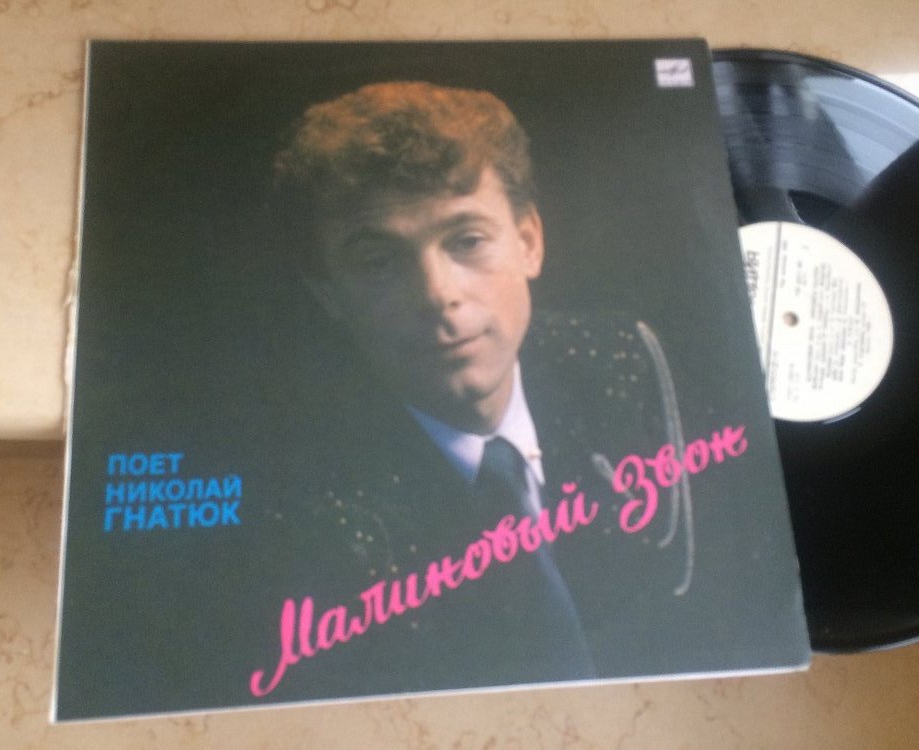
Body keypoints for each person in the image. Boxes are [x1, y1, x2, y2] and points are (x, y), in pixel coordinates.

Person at [263, 81, 685, 700]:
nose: (438, 295)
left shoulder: (622, 359)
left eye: (467, 241)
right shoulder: (299, 508)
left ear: (529, 242)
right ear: (330, 295)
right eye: (379, 261)